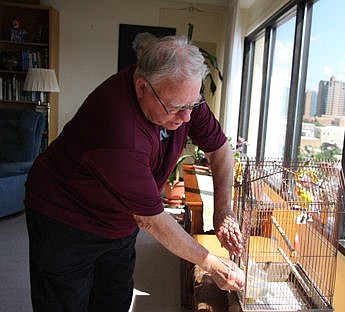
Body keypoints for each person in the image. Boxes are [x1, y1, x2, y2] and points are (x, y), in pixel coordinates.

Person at [24, 35, 244, 312]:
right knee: (65, 300)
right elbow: (151, 220)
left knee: (113, 297)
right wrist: (211, 262)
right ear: (142, 86)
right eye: (176, 108)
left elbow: (221, 150)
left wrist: (223, 210)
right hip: (65, 215)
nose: (187, 118)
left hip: (119, 217)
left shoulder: (182, 97)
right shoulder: (117, 127)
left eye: (193, 105)